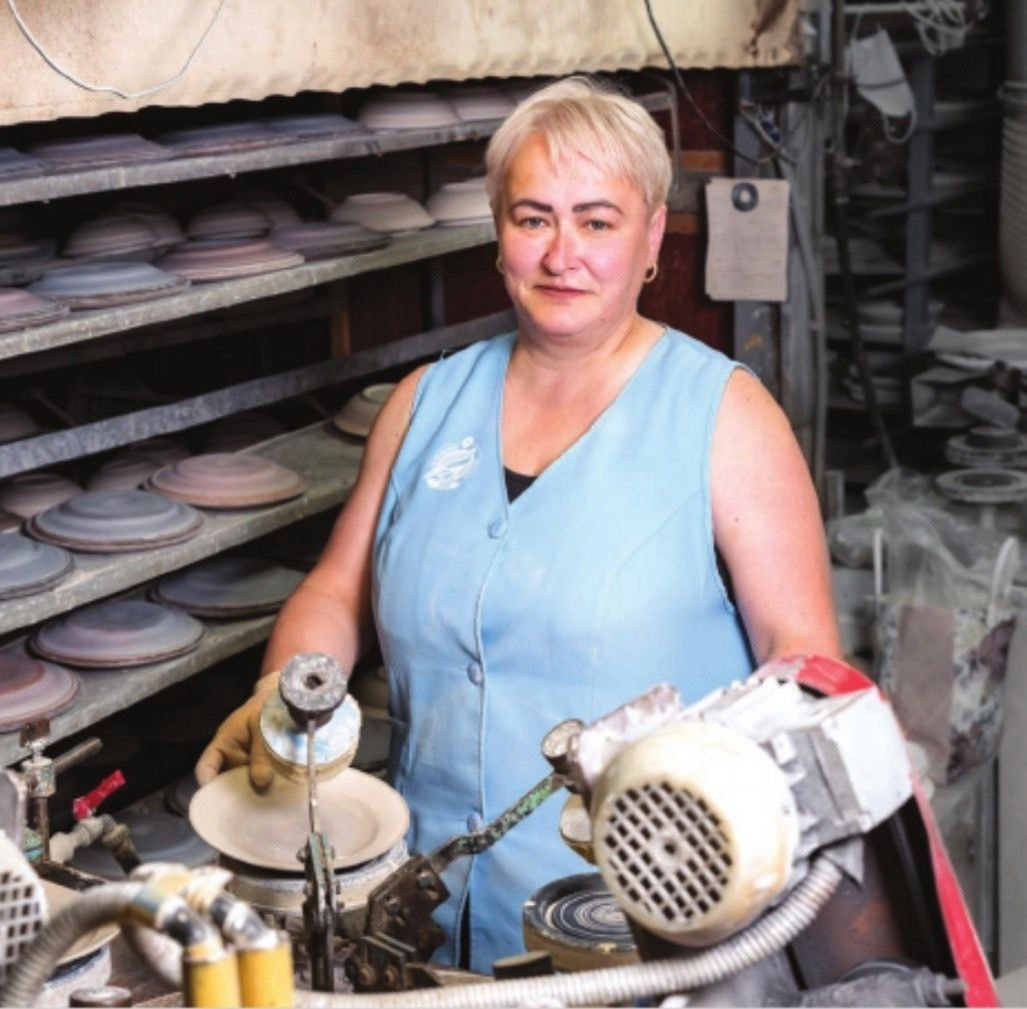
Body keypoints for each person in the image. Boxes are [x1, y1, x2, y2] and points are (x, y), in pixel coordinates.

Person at [196, 76, 840, 973]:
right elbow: (337, 592)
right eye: (533, 218)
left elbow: (802, 665)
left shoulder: (724, 416)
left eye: (597, 221)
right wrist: (284, 692)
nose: (561, 254)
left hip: (647, 930)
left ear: (652, 237)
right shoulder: (423, 404)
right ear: (498, 232)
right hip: (421, 921)